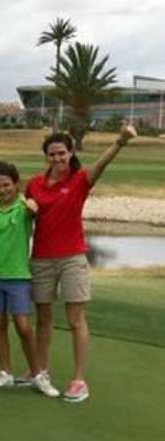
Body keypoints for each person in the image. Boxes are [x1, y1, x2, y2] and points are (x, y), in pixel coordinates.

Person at [25, 123, 137, 403]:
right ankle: (41, 372)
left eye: (61, 153)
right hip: (41, 258)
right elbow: (22, 218)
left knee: (75, 319)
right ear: (46, 156)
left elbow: (102, 165)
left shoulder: (80, 180)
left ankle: (78, 380)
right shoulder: (35, 184)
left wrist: (120, 141)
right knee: (44, 318)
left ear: (70, 152)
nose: (57, 158)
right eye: (52, 154)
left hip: (72, 257)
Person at [0, 161, 45, 393]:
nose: (2, 189)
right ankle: (5, 372)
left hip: (18, 277)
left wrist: (32, 206)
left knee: (24, 326)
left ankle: (37, 374)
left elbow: (34, 210)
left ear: (16, 185)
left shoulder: (25, 208)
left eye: (6, 185)